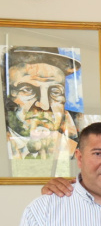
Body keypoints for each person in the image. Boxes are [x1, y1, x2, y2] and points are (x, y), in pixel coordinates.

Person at [3, 46, 82, 176]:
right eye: (27, 89)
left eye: (55, 91)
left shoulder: (79, 138)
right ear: (6, 97)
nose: (44, 106)